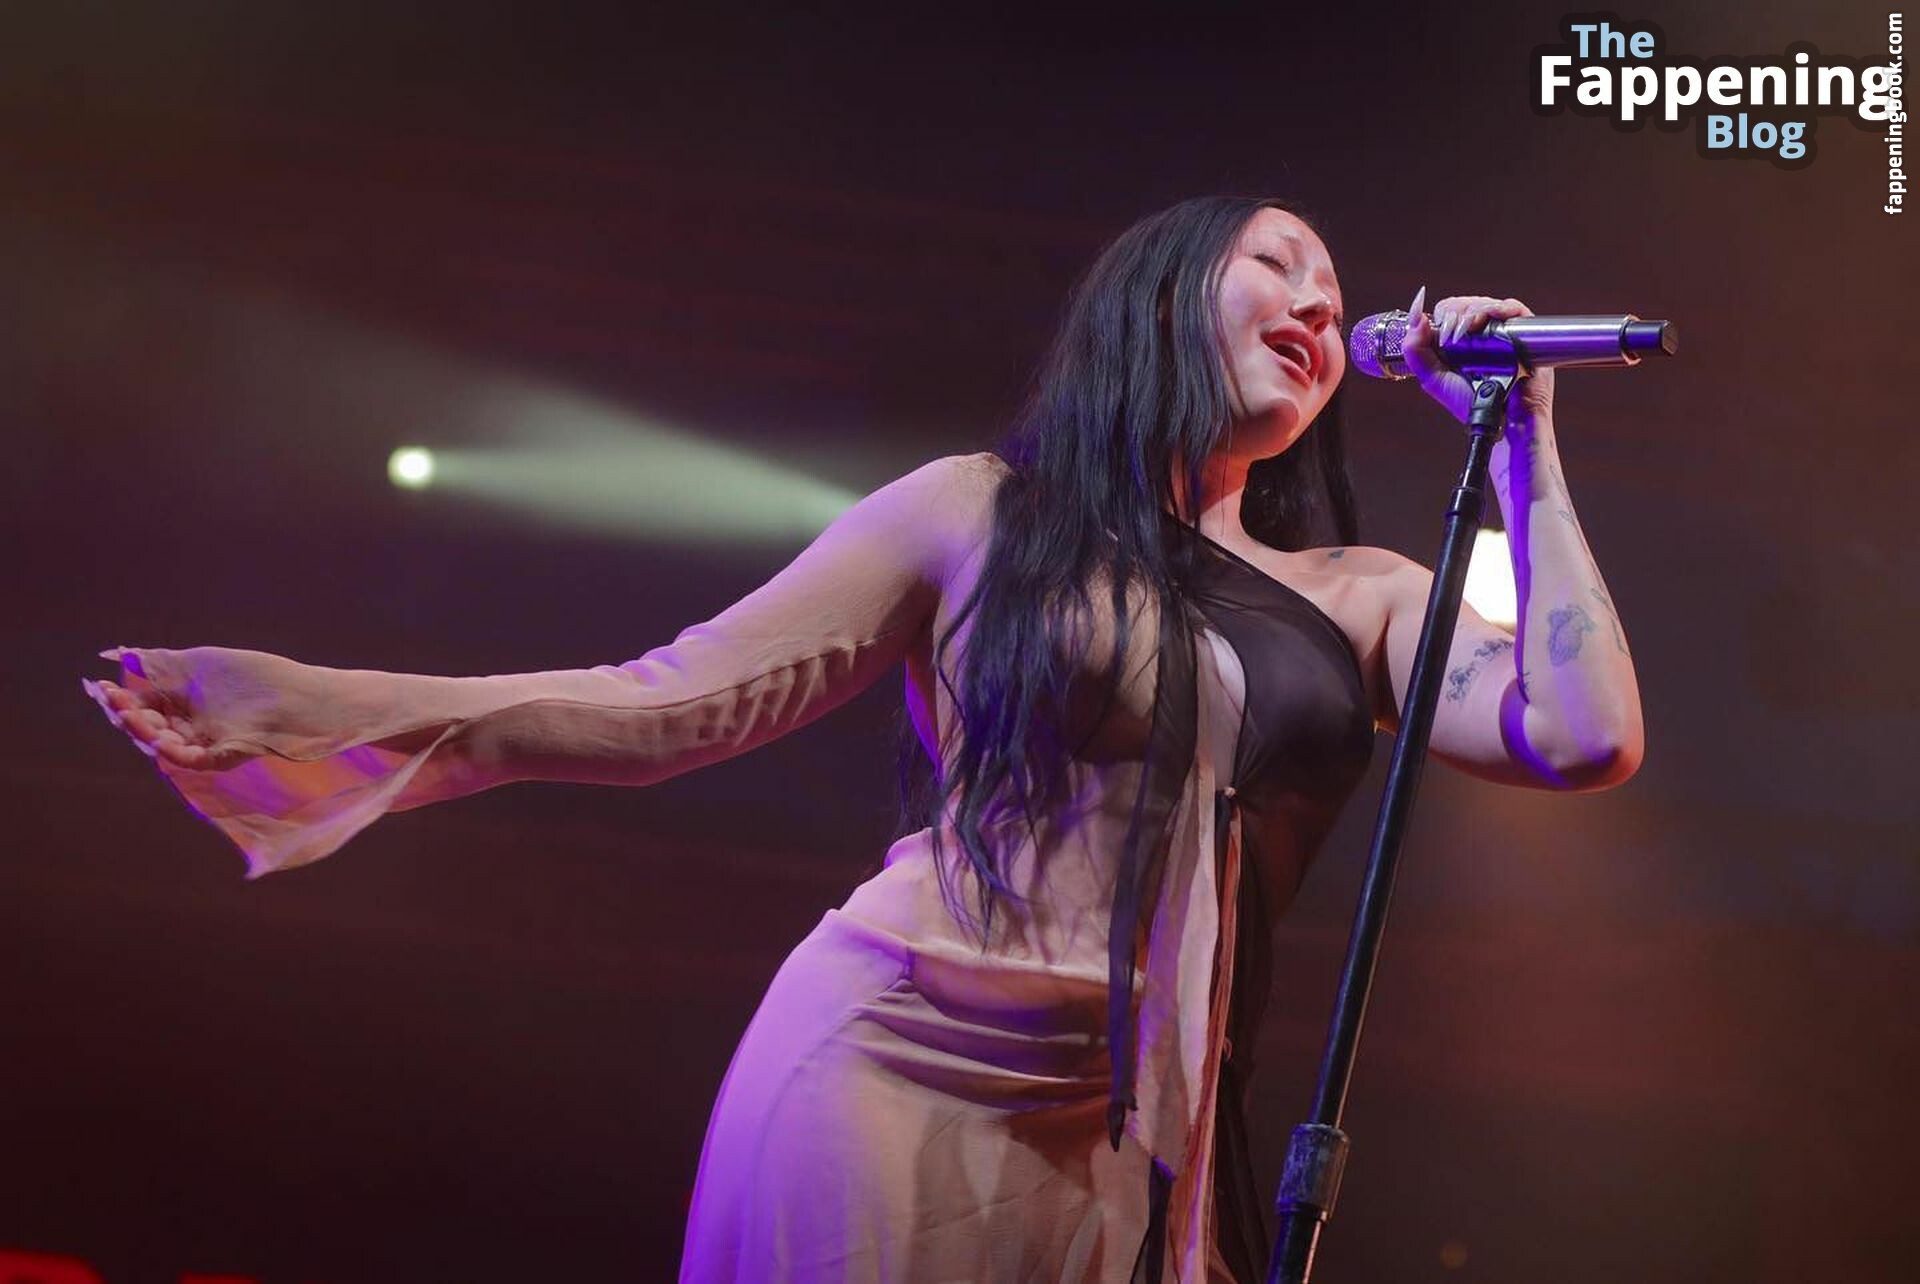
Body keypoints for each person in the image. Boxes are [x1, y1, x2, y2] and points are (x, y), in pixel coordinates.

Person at [84, 195, 1644, 1283]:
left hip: (1136, 1136)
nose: (1317, 303)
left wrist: (1524, 440)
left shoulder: (1360, 594)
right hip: (895, 1067)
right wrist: (325, 706)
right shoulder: (980, 512)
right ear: (1162, 293)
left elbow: (1582, 736)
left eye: (1334, 292)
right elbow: (668, 702)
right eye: (1277, 261)